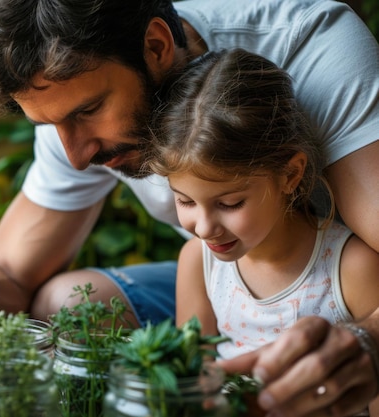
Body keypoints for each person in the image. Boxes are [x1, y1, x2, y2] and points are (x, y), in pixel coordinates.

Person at [0, 1, 379, 415]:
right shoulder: (71, 99)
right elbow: (9, 270)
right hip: (231, 279)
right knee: (65, 305)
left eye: (87, 112)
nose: (77, 157)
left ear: (156, 46)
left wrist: (368, 344)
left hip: (344, 290)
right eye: (51, 126)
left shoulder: (311, 51)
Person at [147, 48, 379, 416]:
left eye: (231, 203)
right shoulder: (198, 262)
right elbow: (193, 384)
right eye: (185, 201)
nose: (204, 228)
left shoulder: (352, 270)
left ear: (290, 175)